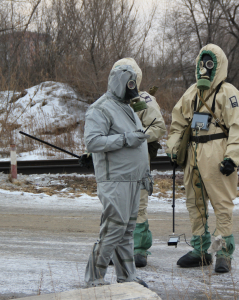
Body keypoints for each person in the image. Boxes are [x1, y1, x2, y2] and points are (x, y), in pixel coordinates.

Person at [166, 44, 239, 273]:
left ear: (219, 65)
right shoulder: (191, 93)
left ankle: (223, 251)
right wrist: (173, 148)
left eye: (210, 63)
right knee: (195, 203)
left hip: (217, 151)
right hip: (193, 153)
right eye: (202, 63)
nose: (206, 68)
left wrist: (232, 158)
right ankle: (200, 251)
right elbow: (177, 124)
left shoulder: (228, 93)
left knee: (221, 203)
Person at [83, 63, 151, 287]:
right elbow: (92, 141)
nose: (133, 88)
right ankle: (94, 278)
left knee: (127, 230)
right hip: (115, 180)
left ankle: (127, 277)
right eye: (130, 83)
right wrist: (124, 139)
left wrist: (145, 174)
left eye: (135, 84)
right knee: (113, 228)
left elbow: (138, 142)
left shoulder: (128, 108)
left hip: (132, 179)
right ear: (120, 82)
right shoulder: (100, 109)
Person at [112, 58, 166, 268]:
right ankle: (115, 248)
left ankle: (139, 248)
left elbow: (158, 127)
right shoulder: (109, 103)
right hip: (116, 163)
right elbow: (98, 130)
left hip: (138, 161)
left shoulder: (144, 100)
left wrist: (136, 137)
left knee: (138, 205)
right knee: (116, 206)